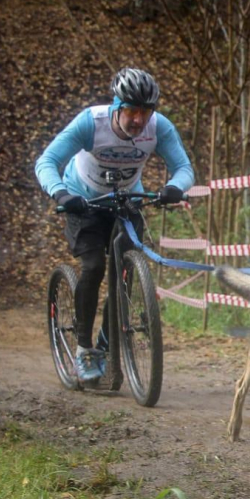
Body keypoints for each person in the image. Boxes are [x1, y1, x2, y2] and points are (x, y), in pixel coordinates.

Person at [36, 67, 194, 381]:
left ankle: (106, 344)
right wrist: (61, 194)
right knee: (93, 267)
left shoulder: (158, 127)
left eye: (145, 112)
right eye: (131, 111)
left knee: (127, 271)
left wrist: (175, 187)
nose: (138, 120)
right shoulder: (90, 123)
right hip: (85, 204)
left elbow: (183, 167)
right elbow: (46, 161)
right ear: (115, 107)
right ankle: (84, 351)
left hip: (125, 201)